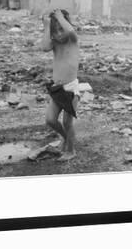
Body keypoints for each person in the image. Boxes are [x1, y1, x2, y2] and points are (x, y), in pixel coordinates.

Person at [40, 8, 80, 161]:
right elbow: (44, 47)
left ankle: (71, 151)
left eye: (60, 26)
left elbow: (69, 31)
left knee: (67, 122)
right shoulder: (55, 42)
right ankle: (67, 139)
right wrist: (46, 26)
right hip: (57, 88)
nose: (59, 31)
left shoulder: (72, 38)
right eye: (55, 28)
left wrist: (59, 16)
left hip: (70, 88)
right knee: (50, 119)